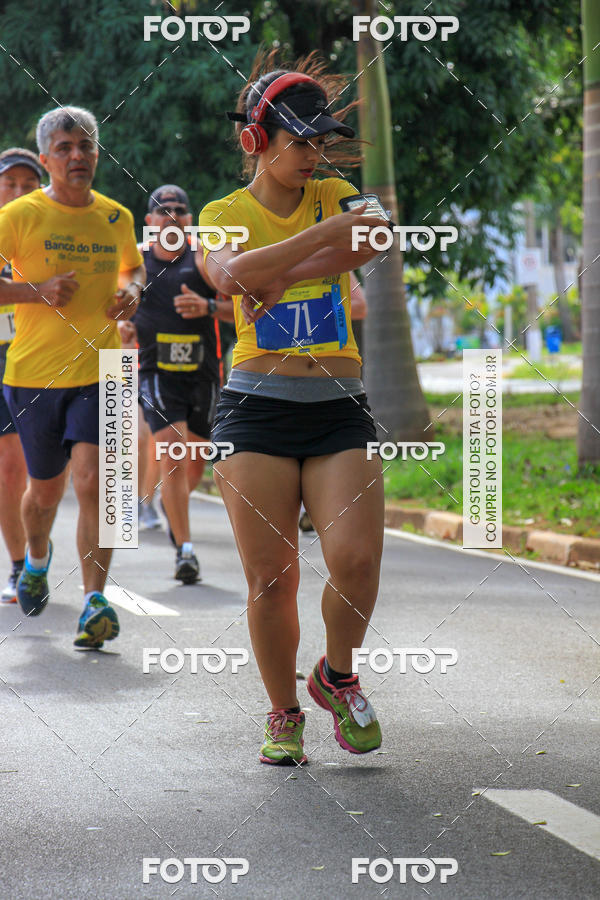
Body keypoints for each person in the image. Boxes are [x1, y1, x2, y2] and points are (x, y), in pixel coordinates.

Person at [199, 53, 387, 765]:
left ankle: (336, 675)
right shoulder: (222, 213)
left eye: (319, 141)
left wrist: (286, 259)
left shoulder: (337, 191)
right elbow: (228, 273)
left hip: (339, 403)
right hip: (254, 406)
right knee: (272, 578)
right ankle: (283, 715)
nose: (312, 155)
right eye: (298, 141)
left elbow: (377, 236)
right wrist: (318, 242)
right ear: (256, 141)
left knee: (357, 560)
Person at [0, 106, 145, 648]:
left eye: (86, 146)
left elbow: (133, 266)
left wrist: (132, 292)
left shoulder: (117, 216)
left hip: (104, 368)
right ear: (46, 159)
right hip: (34, 374)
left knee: (99, 484)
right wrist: (34, 292)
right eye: (64, 148)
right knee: (43, 494)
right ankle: (36, 560)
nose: (77, 156)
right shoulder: (20, 216)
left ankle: (94, 601)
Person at [127, 184, 233, 583]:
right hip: (155, 374)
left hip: (203, 376)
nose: (172, 215)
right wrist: (121, 324)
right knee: (171, 452)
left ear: (189, 221)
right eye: (163, 209)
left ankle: (174, 514)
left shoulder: (205, 260)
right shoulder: (137, 264)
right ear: (150, 222)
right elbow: (116, 304)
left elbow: (243, 314)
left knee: (192, 466)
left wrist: (208, 306)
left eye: (180, 209)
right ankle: (185, 551)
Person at [0, 148, 44, 602]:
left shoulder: (53, 230)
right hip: (1, 362)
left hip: (44, 357)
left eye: (27, 186)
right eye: (8, 184)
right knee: (9, 468)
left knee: (49, 470)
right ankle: (20, 564)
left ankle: (37, 543)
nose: (16, 193)